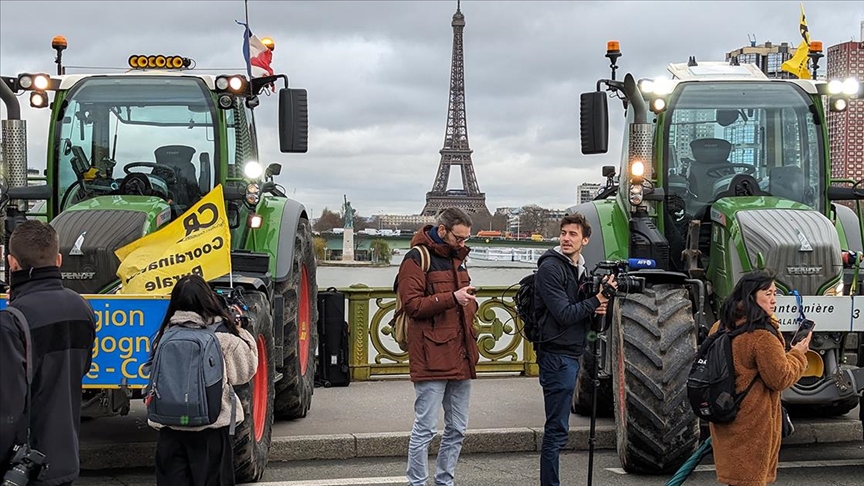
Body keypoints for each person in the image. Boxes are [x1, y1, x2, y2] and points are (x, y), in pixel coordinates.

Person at [0, 220, 97, 485]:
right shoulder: (82, 308)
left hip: (21, 466)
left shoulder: (12, 321)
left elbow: (6, 407)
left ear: (12, 263)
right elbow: (81, 368)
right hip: (64, 457)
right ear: (58, 260)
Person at [149, 274, 258, 486]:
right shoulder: (223, 338)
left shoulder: (163, 337)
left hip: (169, 430)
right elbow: (247, 370)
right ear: (209, 300)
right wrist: (238, 328)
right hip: (212, 430)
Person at [398, 207, 480, 486]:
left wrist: (470, 303)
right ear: (442, 230)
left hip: (460, 352)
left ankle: (445, 482)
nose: (463, 244)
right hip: (430, 355)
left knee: (457, 429)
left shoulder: (459, 258)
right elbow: (412, 305)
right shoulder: (416, 258)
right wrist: (452, 298)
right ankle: (417, 483)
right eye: (459, 238)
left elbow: (463, 300)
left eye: (467, 238)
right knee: (425, 429)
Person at [533, 213, 616, 486]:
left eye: (573, 235)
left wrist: (598, 307)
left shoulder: (580, 268)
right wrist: (597, 299)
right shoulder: (550, 268)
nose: (567, 239)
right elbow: (565, 313)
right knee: (556, 430)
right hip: (556, 355)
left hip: (571, 353)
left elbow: (586, 319)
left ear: (585, 240)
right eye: (564, 233)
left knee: (559, 429)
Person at [709, 270, 811, 486]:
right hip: (753, 426)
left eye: (775, 293)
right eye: (767, 293)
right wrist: (798, 355)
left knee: (734, 481)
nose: (773, 299)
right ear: (751, 296)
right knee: (750, 480)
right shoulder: (762, 336)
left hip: (724, 415)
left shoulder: (719, 327)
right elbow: (780, 378)